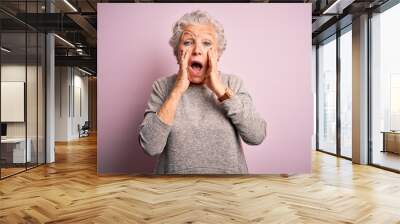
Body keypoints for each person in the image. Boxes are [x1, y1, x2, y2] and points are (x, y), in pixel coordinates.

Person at [138, 10, 267, 174]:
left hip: (229, 192)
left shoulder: (233, 84)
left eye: (206, 43)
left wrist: (220, 90)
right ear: (178, 53)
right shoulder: (162, 87)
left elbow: (256, 136)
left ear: (218, 53)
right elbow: (150, 146)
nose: (197, 50)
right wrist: (176, 92)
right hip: (173, 192)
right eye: (188, 42)